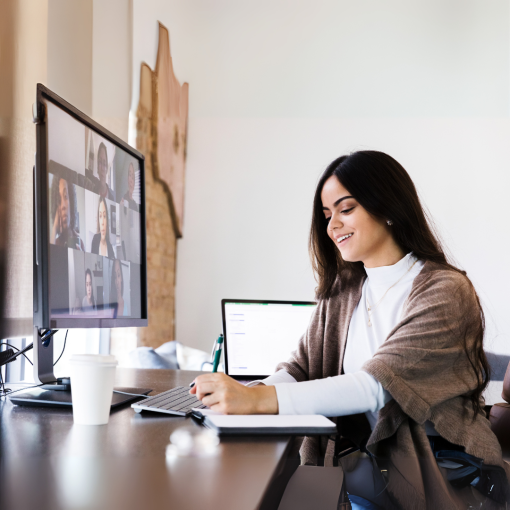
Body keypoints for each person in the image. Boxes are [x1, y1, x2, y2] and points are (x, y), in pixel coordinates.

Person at [190, 151, 510, 508]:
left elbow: (378, 386)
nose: (332, 226)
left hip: (439, 474)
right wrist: (248, 394)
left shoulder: (445, 291)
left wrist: (256, 401)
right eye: (327, 216)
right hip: (368, 465)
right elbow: (301, 368)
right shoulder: (345, 288)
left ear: (387, 207)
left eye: (345, 209)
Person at [50, 175, 85, 250]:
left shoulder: (80, 242)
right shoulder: (55, 243)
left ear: (71, 202)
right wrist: (55, 229)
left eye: (65, 196)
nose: (63, 206)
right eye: (59, 200)